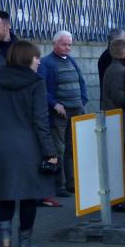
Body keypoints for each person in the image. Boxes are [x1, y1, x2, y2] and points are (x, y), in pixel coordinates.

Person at [0, 39, 57, 247]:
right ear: (27, 58)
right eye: (36, 57)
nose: (39, 61)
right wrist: (50, 152)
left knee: (5, 194)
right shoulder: (36, 83)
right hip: (28, 146)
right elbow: (40, 121)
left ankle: (5, 241)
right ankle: (25, 244)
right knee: (28, 196)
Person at [40, 30, 88, 198]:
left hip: (76, 109)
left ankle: (72, 183)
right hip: (59, 113)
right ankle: (58, 185)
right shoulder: (46, 63)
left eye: (69, 44)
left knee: (73, 149)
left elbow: (81, 82)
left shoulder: (72, 61)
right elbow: (42, 88)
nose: (68, 48)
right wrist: (54, 104)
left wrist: (83, 100)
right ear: (55, 44)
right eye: (64, 44)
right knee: (58, 149)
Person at [99, 36, 125, 214]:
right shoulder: (117, 71)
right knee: (124, 164)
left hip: (122, 122)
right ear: (122, 53)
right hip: (120, 123)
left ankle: (121, 198)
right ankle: (120, 200)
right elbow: (120, 97)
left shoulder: (120, 68)